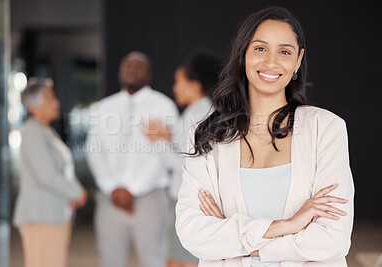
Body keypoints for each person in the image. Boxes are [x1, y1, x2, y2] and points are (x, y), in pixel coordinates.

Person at [175, 6, 354, 267]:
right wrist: (286, 226)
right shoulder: (209, 135)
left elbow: (333, 239)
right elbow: (192, 232)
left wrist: (243, 243)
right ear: (243, 54)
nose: (271, 62)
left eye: (284, 52)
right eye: (260, 48)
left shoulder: (325, 129)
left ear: (298, 61)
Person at [86, 51, 179, 267]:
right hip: (111, 199)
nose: (131, 70)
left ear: (149, 74)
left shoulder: (163, 106)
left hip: (149, 199)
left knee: (154, 261)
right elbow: (94, 150)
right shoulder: (104, 107)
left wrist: (134, 190)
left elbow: (163, 155)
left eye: (138, 67)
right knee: (110, 261)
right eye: (127, 66)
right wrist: (111, 187)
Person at [143, 50, 221, 267]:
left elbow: (187, 164)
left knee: (182, 262)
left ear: (194, 86)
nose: (174, 87)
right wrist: (168, 140)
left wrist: (157, 141)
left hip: (190, 201)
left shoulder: (198, 115)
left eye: (178, 81)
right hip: (190, 200)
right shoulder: (200, 112)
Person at [13, 77, 87, 267]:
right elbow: (47, 175)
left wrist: (75, 190)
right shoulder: (32, 133)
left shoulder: (45, 131)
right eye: (50, 99)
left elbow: (64, 171)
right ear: (34, 107)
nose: (57, 102)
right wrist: (77, 193)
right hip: (40, 216)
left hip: (53, 215)